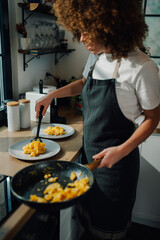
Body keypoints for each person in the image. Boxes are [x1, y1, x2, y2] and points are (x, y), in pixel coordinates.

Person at [35, 0, 160, 239]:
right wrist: (51, 95)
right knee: (86, 224)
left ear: (108, 26)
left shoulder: (142, 67)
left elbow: (153, 118)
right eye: (79, 30)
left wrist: (121, 151)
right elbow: (82, 84)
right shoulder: (97, 58)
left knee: (108, 230)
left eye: (86, 31)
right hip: (88, 158)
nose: (81, 39)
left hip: (117, 167)